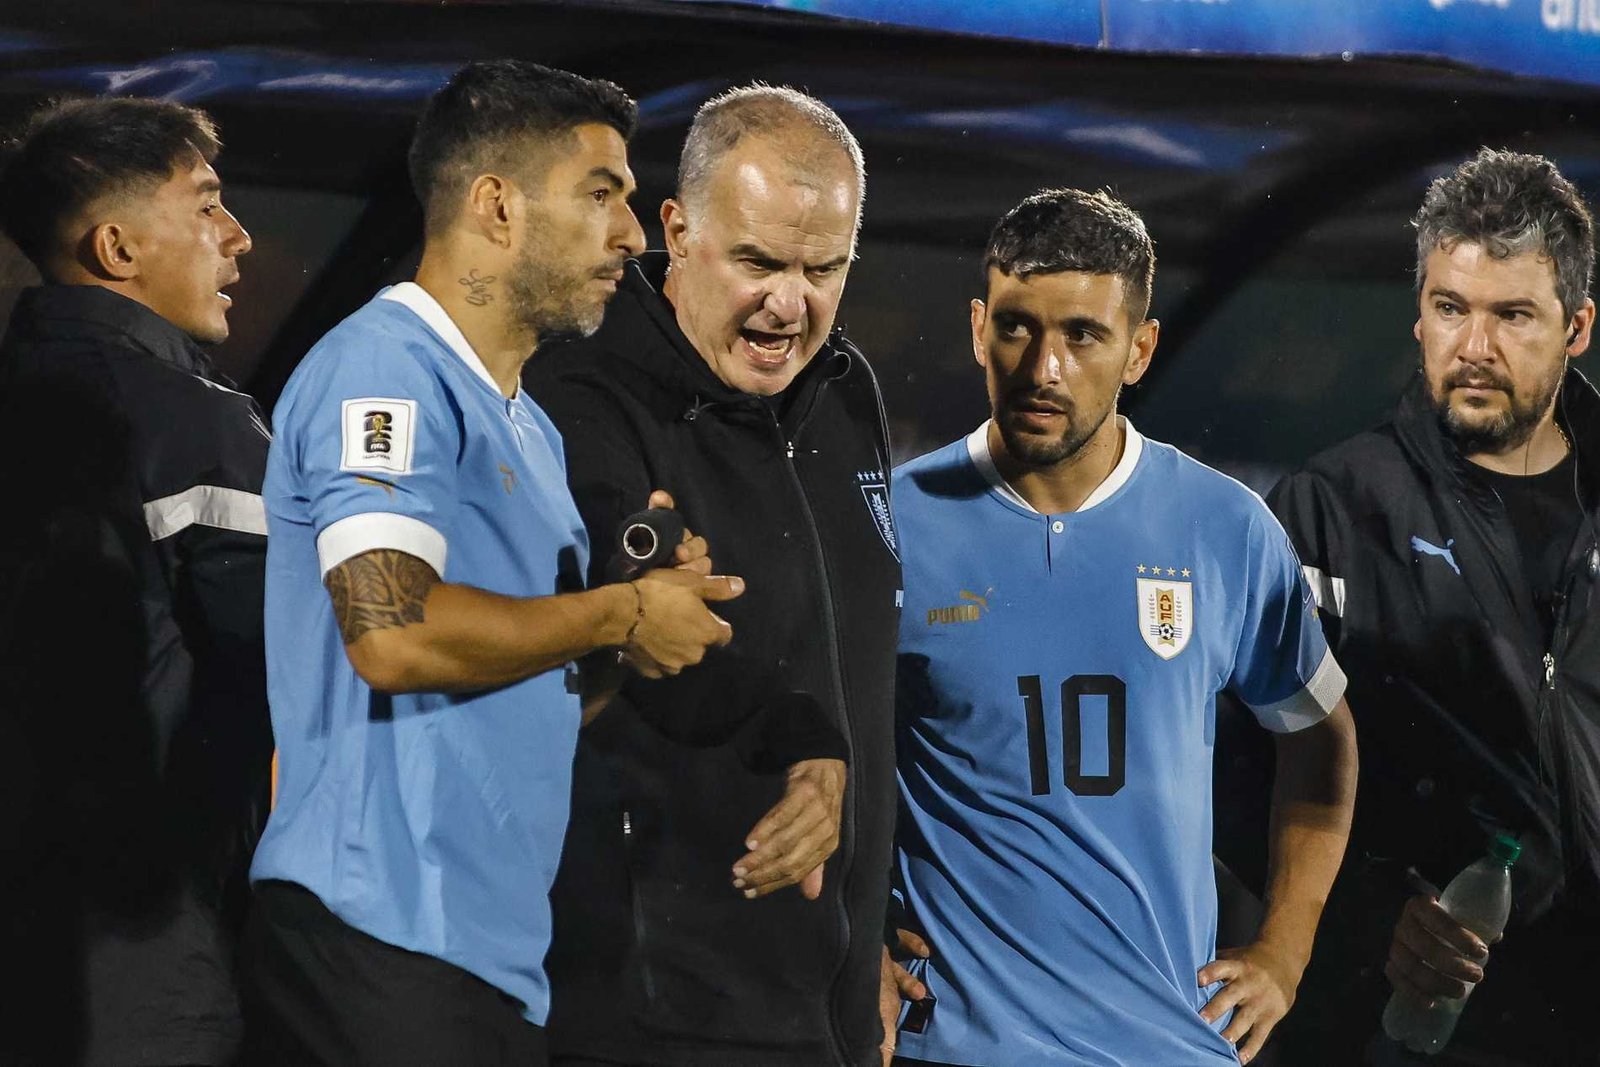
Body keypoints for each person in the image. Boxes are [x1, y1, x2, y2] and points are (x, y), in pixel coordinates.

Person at [241, 60, 742, 1066]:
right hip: (374, 927)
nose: (630, 234)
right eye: (599, 194)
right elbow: (393, 634)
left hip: (488, 958)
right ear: (498, 206)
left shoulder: (533, 431)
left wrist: (630, 636)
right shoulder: (383, 367)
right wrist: (616, 613)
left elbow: (530, 689)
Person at [887, 188, 1359, 1067]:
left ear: (1140, 350)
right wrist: (853, 942)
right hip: (950, 1044)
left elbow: (1320, 740)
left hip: (1167, 1044)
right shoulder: (895, 523)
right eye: (1017, 327)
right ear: (978, 328)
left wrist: (1285, 952)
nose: (1043, 368)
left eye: (1083, 335)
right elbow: (822, 758)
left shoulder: (1225, 527)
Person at [523, 85, 902, 1066]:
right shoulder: (580, 389)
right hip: (650, 1011)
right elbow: (605, 628)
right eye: (759, 262)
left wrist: (861, 947)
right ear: (677, 230)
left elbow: (853, 664)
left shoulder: (845, 389)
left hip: (828, 1016)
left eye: (824, 268)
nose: (791, 303)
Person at [1269, 149, 1600, 1066]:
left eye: (1512, 315)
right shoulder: (1331, 509)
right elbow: (1240, 776)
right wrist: (1376, 910)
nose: (1474, 347)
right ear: (1419, 314)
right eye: (1451, 308)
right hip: (1401, 1028)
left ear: (1577, 327)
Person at [0, 96, 266, 1065]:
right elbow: (306, 661)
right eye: (206, 204)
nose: (237, 236)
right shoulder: (190, 420)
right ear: (116, 248)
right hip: (140, 942)